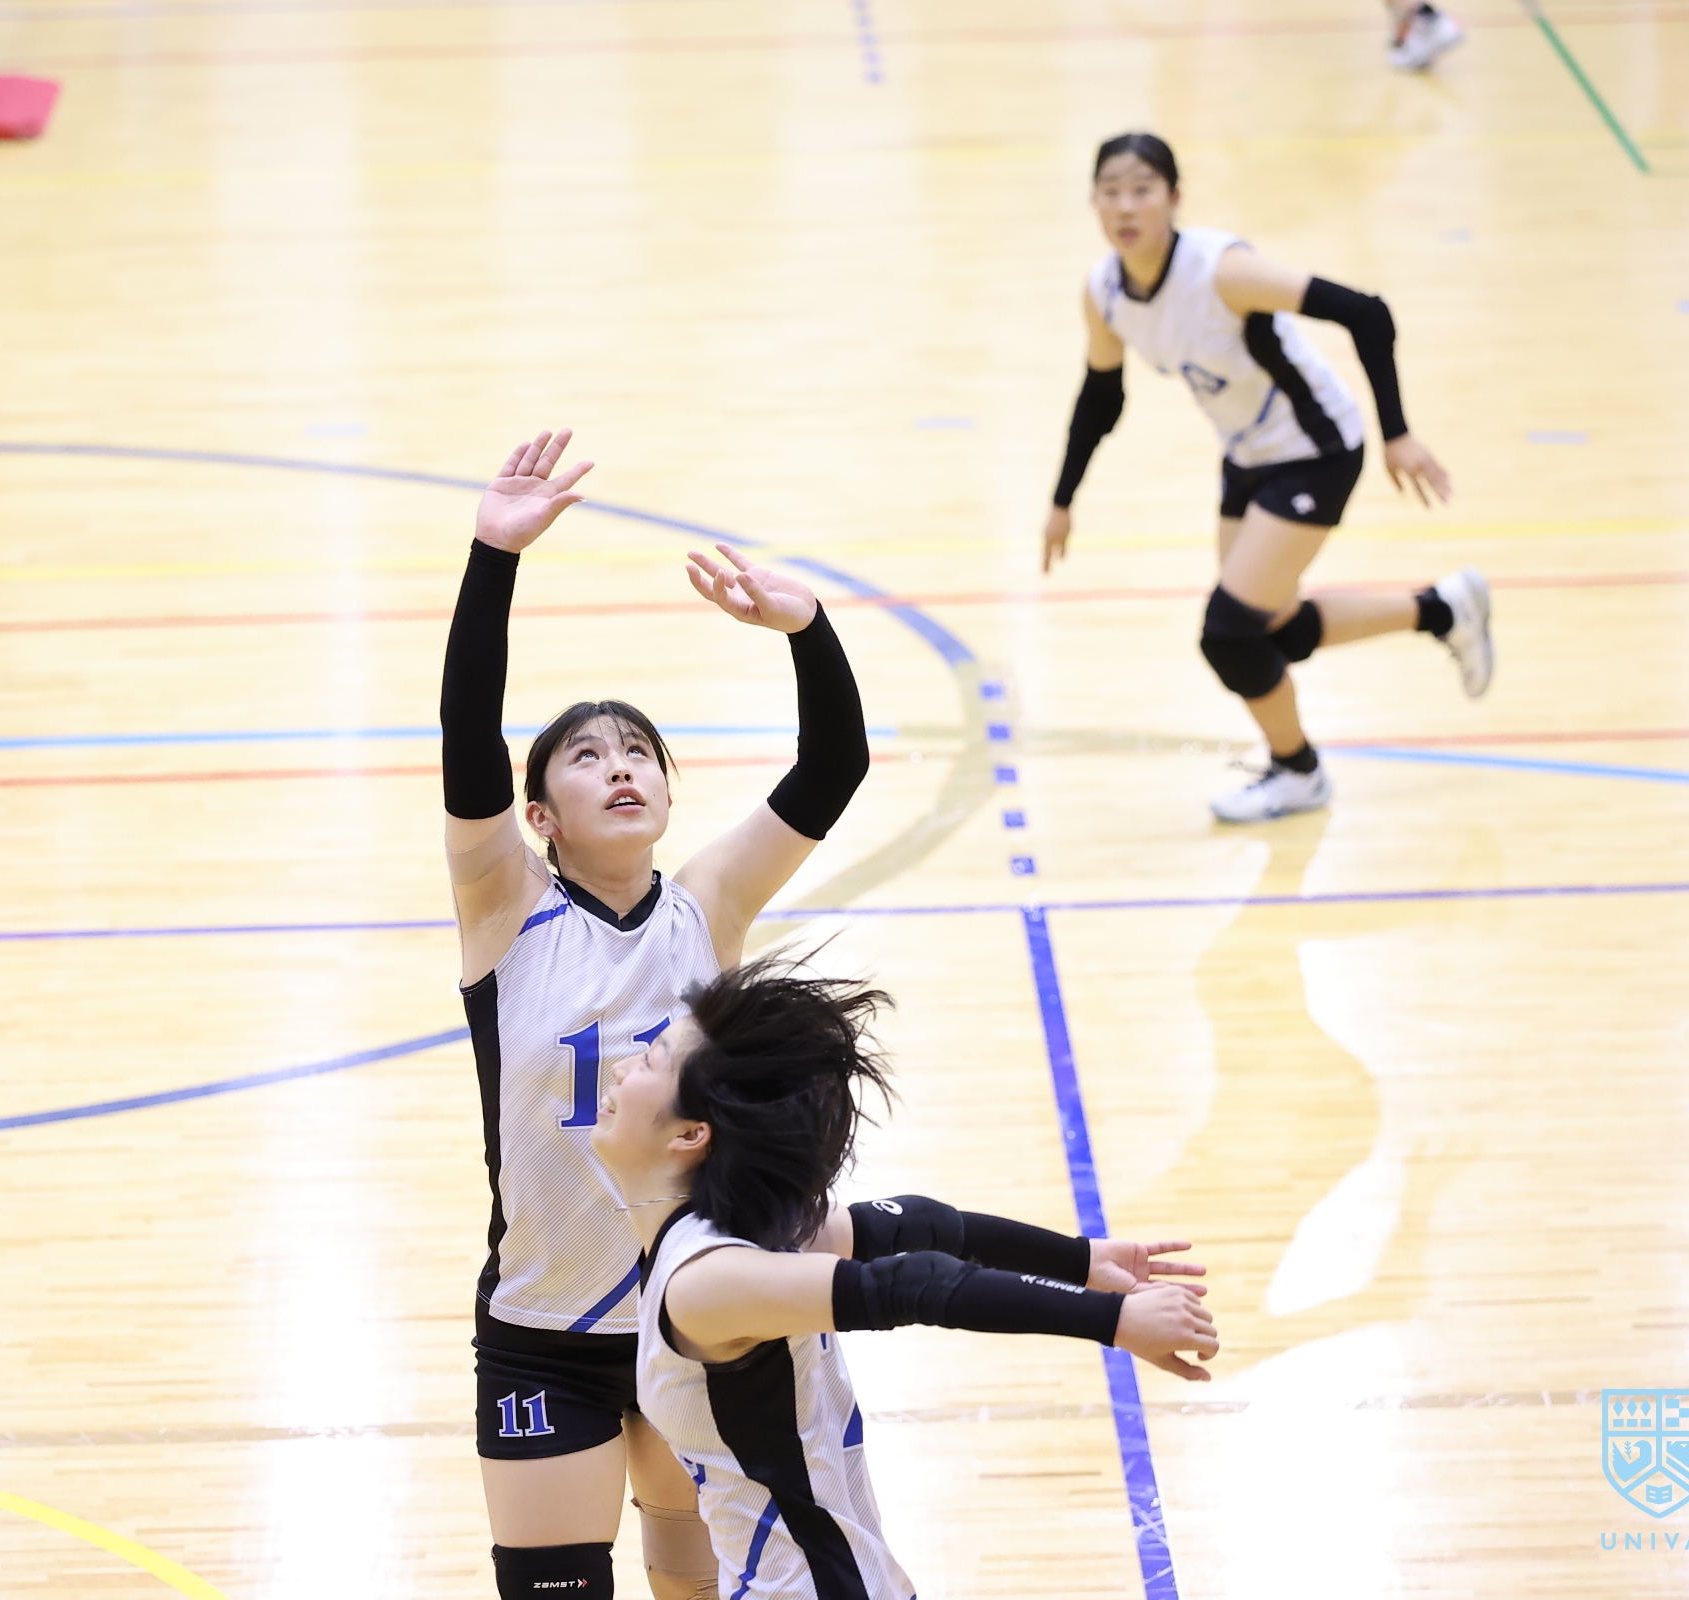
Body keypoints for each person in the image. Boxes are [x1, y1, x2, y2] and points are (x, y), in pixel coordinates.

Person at [441, 431, 874, 1599]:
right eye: (587, 757)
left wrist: (807, 628)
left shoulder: (708, 905)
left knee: (697, 1585)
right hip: (541, 1326)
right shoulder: (503, 907)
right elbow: (467, 743)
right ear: (541, 815)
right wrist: (493, 557)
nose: (622, 765)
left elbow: (834, 764)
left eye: (640, 751)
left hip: (693, 1306)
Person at [596, 955, 1218, 1597]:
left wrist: (1113, 1317)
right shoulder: (742, 1235)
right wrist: (1080, 1262)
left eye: (650, 1062)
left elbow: (916, 1281)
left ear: (691, 1134)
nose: (620, 1067)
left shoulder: (707, 1282)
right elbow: (919, 1225)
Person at [1041, 132, 1494, 824]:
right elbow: (1102, 395)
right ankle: (1442, 609)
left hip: (1316, 448)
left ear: (1174, 198)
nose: (1125, 207)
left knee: (1229, 633)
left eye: (1143, 190)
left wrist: (1398, 433)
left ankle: (1299, 771)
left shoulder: (1223, 271)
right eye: (1111, 192)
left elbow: (1367, 313)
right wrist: (1062, 500)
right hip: (1248, 453)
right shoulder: (1105, 292)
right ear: (1093, 202)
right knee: (1271, 630)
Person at [1386, 2, 1464, 71]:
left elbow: (1406, 16)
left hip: (1438, 32)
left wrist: (1399, 41)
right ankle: (1424, 57)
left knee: (1397, 60)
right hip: (1448, 28)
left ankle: (1421, 57)